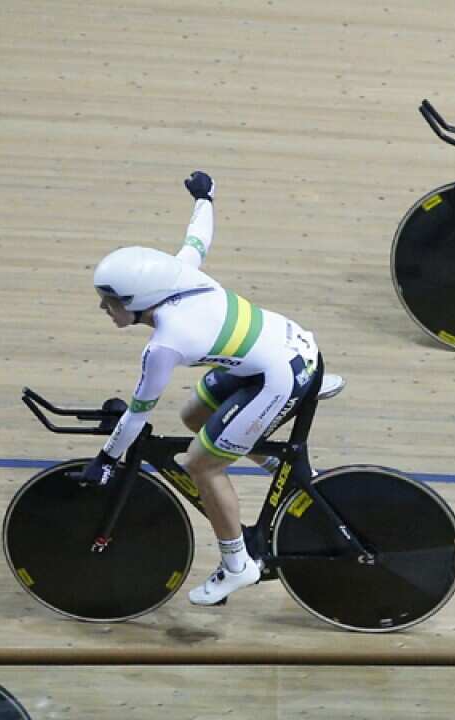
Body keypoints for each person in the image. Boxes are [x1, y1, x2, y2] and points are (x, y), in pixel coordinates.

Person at [86, 170, 342, 606]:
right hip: (297, 349)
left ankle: (237, 565)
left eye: (111, 300)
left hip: (280, 376)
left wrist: (107, 459)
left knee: (202, 465)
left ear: (138, 301)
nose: (103, 308)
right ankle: (286, 475)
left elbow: (137, 413)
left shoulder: (164, 344)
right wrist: (206, 196)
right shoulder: (179, 276)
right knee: (194, 416)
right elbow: (198, 236)